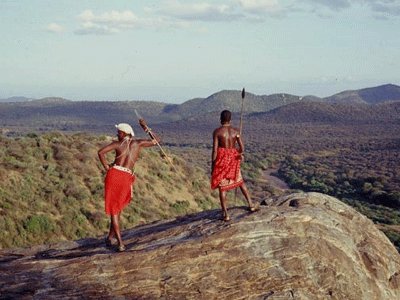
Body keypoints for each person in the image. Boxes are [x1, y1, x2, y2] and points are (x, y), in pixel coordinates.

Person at [98, 121, 159, 252]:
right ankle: (110, 237)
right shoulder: (138, 143)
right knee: (116, 207)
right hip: (126, 177)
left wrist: (106, 167)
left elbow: (100, 152)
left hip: (114, 175)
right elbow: (156, 140)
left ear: (125, 133)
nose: (117, 134)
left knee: (114, 209)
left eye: (119, 132)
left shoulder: (118, 144)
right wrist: (145, 127)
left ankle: (120, 243)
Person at [211, 110, 256, 221]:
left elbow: (214, 151)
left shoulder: (217, 132)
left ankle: (226, 214)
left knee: (222, 188)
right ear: (230, 119)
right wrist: (238, 153)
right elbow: (242, 148)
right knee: (240, 182)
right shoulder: (235, 131)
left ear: (221, 119)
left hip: (222, 161)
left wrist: (213, 165)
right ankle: (251, 205)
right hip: (233, 159)